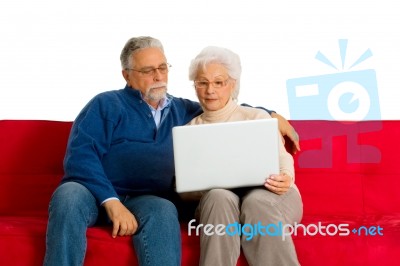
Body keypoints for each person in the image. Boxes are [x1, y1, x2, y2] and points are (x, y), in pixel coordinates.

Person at [43, 36, 300, 266]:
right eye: (148, 70)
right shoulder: (105, 104)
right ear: (126, 75)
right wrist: (110, 201)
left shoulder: (183, 110)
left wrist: (270, 114)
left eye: (163, 67)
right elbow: (81, 155)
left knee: (165, 211)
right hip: (94, 192)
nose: (158, 76)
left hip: (148, 198)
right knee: (68, 195)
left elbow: (220, 102)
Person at [184, 46, 303, 266]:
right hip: (219, 205)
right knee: (218, 196)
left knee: (256, 202)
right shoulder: (190, 130)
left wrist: (286, 176)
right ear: (195, 86)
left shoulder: (255, 116)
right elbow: (186, 191)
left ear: (232, 85)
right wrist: (204, 185)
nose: (210, 90)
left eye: (218, 82)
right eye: (202, 82)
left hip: (271, 195)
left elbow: (282, 156)